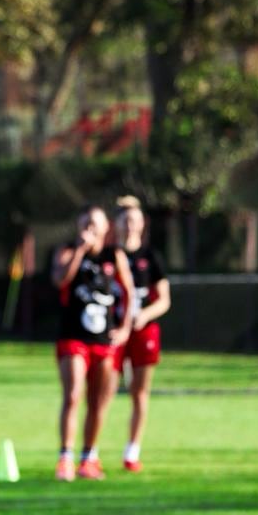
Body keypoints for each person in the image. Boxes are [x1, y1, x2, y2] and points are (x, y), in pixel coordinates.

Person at [51, 205, 134, 481]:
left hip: (104, 340)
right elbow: (59, 280)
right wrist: (79, 251)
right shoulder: (66, 251)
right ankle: (65, 457)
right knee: (73, 394)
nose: (90, 227)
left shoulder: (115, 256)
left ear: (105, 227)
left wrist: (124, 329)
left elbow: (130, 294)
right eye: (85, 222)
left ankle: (89, 458)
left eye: (95, 223)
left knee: (99, 401)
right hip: (73, 337)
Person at [113, 197, 171, 473]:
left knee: (139, 392)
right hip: (112, 333)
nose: (130, 225)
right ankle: (90, 453)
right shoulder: (109, 255)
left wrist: (144, 315)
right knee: (103, 391)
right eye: (125, 220)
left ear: (142, 223)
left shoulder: (150, 257)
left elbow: (164, 300)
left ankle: (132, 451)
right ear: (117, 224)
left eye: (134, 219)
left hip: (143, 331)